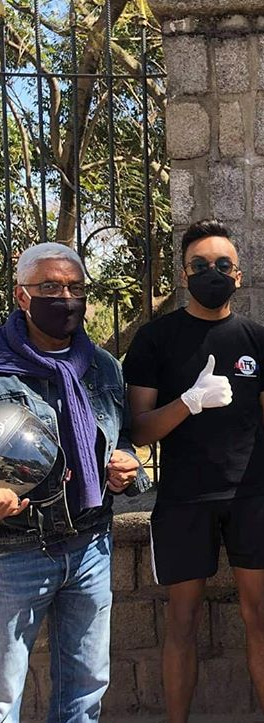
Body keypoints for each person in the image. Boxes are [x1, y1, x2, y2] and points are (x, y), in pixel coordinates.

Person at [123, 220, 264, 723]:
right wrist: (189, 402)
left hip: (252, 496)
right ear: (183, 274)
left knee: (260, 616)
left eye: (222, 265)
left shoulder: (256, 339)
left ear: (238, 275)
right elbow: (139, 430)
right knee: (182, 620)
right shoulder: (155, 339)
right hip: (184, 500)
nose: (211, 273)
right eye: (200, 265)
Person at [0, 242, 150, 723]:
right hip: (13, 552)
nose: (65, 297)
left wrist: (126, 464)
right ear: (22, 296)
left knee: (85, 690)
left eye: (75, 287)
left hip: (90, 547)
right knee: (3, 695)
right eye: (49, 286)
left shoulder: (103, 366)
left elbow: (121, 437)